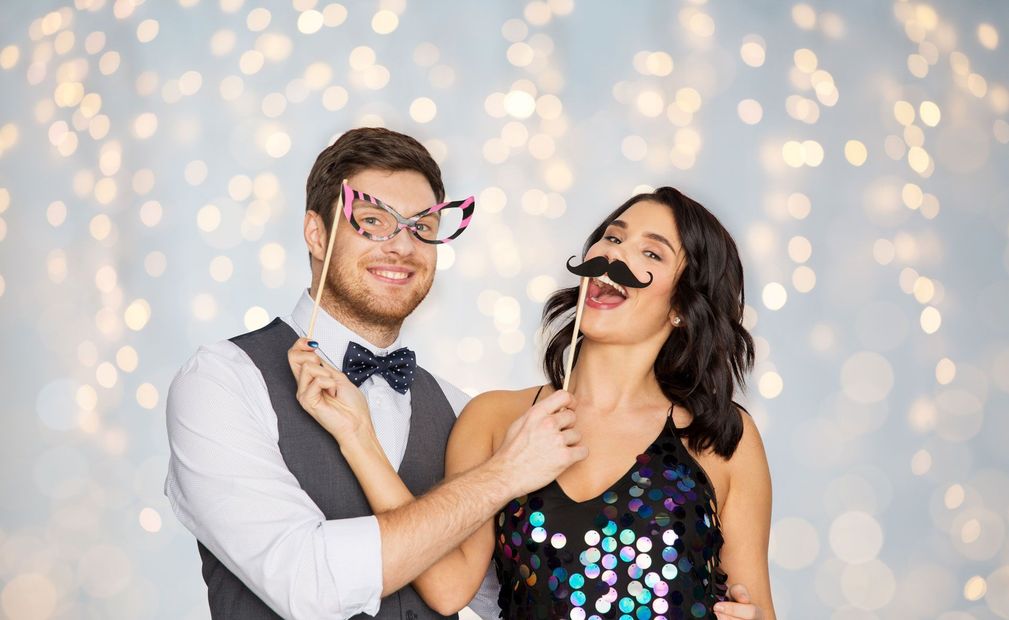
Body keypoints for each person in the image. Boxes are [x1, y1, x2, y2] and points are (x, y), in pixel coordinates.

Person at [290, 186, 776, 619]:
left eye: (651, 252)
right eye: (612, 238)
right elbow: (446, 588)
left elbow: (754, 604)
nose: (614, 256)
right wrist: (358, 438)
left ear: (681, 309)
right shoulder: (496, 418)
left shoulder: (721, 437)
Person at [164, 127, 586, 619]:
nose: (402, 247)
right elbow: (306, 583)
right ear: (316, 234)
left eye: (422, 228)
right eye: (372, 221)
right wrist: (505, 474)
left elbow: (509, 600)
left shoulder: (458, 410)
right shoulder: (223, 381)